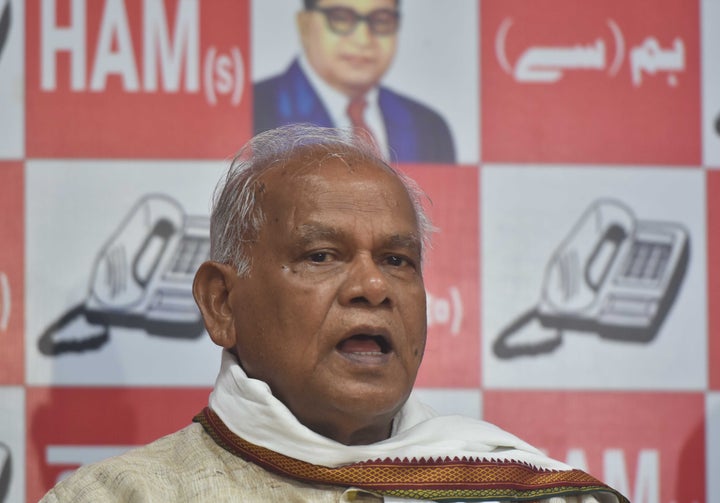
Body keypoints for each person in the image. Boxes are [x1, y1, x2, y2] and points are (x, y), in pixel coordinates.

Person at [41, 125, 626, 502]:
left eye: (398, 260)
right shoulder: (125, 495)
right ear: (222, 304)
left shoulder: (523, 491)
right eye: (321, 256)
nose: (373, 286)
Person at [254, 0, 456, 164]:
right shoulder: (256, 110)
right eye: (341, 18)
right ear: (304, 24)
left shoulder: (429, 128)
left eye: (381, 20)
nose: (363, 39)